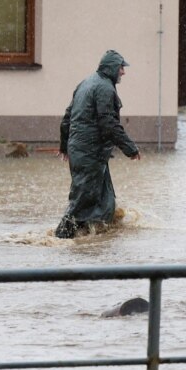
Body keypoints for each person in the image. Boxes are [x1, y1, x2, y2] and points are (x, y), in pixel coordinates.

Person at [54, 49, 141, 238]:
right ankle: (60, 239)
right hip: (90, 153)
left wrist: (64, 146)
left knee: (106, 201)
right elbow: (108, 124)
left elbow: (67, 118)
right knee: (82, 200)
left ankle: (96, 242)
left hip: (86, 152)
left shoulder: (86, 83)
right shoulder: (104, 88)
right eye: (121, 68)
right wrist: (130, 148)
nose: (123, 72)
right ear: (111, 68)